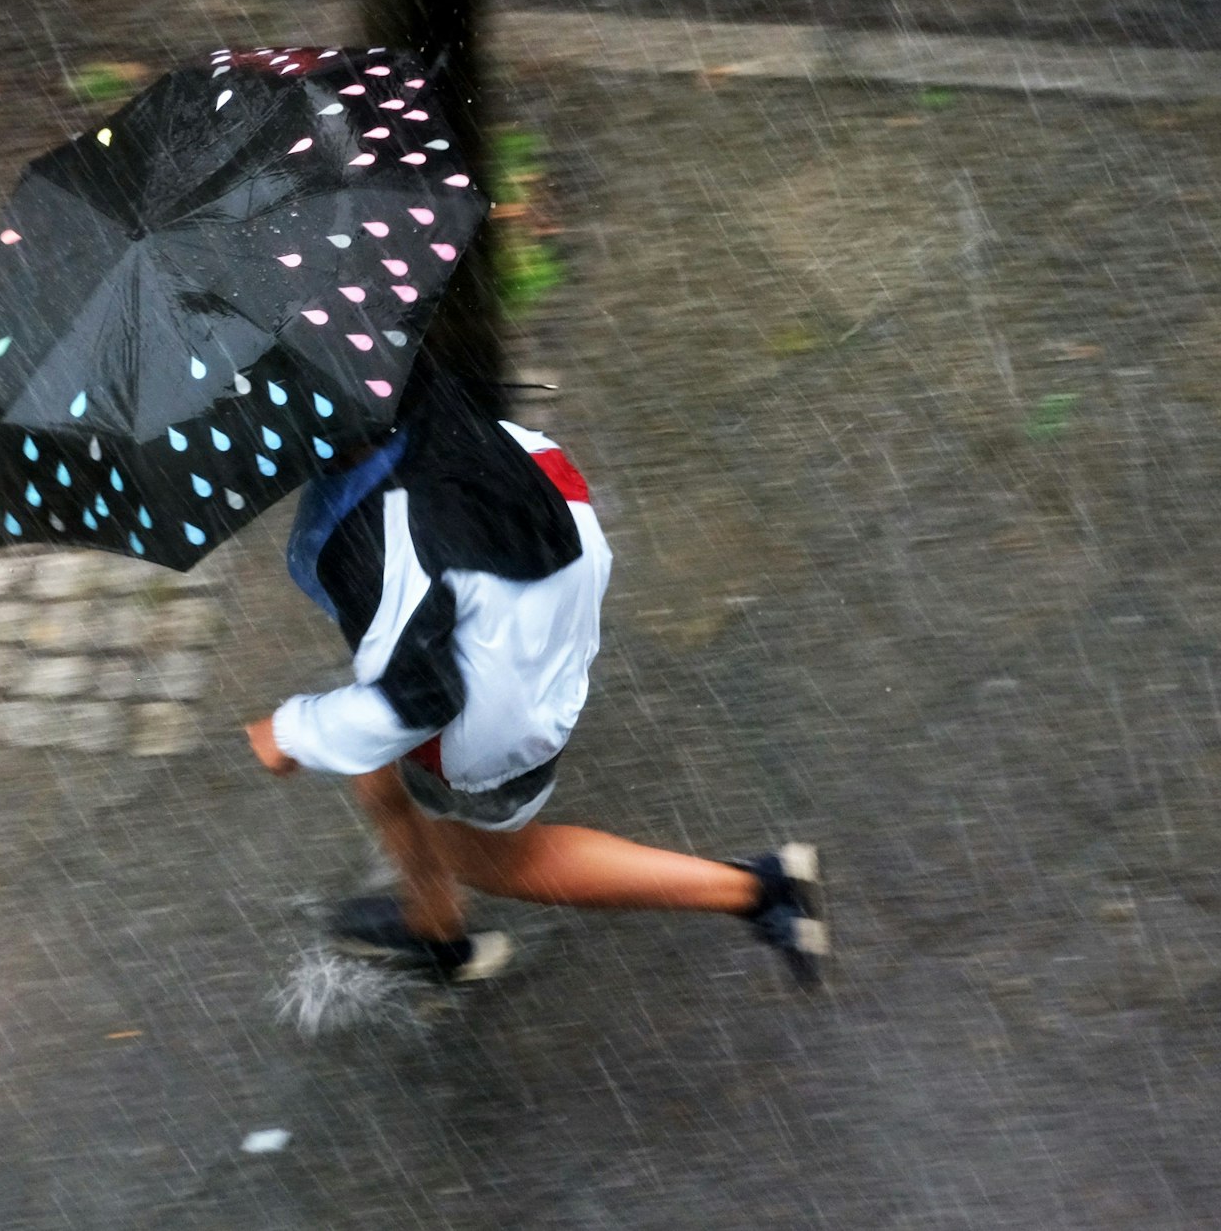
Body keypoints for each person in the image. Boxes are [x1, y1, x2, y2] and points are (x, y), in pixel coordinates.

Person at [243, 356, 827, 986]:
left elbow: (416, 699)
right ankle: (433, 923)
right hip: (531, 610)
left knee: (499, 860)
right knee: (373, 755)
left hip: (493, 703)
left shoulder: (381, 545)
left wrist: (293, 732)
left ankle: (760, 890)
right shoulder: (448, 419)